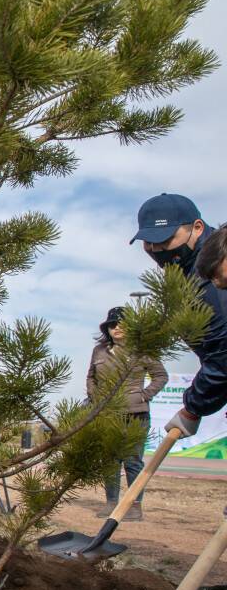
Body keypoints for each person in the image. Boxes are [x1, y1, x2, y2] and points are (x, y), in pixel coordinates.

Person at [132, 195, 227, 443]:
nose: (156, 250)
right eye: (148, 243)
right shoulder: (189, 268)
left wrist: (192, 409)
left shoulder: (216, 274)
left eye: (163, 241)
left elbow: (223, 354)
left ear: (197, 227)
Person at [85, 306, 168, 520]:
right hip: (107, 413)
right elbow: (91, 377)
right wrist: (96, 398)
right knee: (110, 459)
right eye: (112, 324)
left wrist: (144, 395)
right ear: (107, 329)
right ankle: (111, 502)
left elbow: (160, 376)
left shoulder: (142, 350)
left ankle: (134, 505)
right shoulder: (100, 350)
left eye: (122, 323)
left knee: (133, 461)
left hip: (135, 414)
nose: (117, 327)